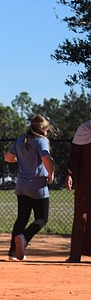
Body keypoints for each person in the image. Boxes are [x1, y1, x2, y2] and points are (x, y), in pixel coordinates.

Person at [4, 115, 54, 261]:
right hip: (38, 186)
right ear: (43, 129)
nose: (47, 133)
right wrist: (51, 174)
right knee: (42, 218)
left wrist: (22, 158)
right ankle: (24, 237)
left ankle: (12, 253)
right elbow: (46, 158)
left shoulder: (19, 141)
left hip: (22, 186)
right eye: (47, 129)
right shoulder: (42, 141)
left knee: (21, 218)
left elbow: (7, 158)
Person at [66, 104, 91, 263]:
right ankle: (75, 254)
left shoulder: (84, 128)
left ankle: (80, 253)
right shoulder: (84, 129)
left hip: (84, 179)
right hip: (85, 179)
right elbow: (74, 155)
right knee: (80, 215)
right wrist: (69, 174)